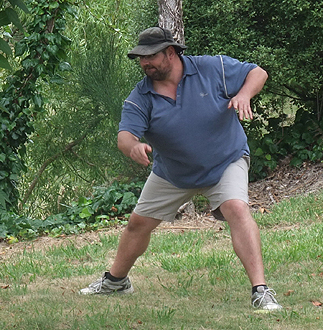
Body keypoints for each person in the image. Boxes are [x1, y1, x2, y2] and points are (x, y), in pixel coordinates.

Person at [78, 27, 282, 311]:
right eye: (140, 58)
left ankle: (261, 290)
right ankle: (116, 281)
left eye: (150, 56)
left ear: (170, 53)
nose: (145, 63)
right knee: (137, 224)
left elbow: (258, 73)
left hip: (225, 160)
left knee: (236, 207)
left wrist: (245, 95)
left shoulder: (212, 68)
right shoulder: (141, 95)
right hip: (173, 173)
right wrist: (133, 147)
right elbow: (124, 136)